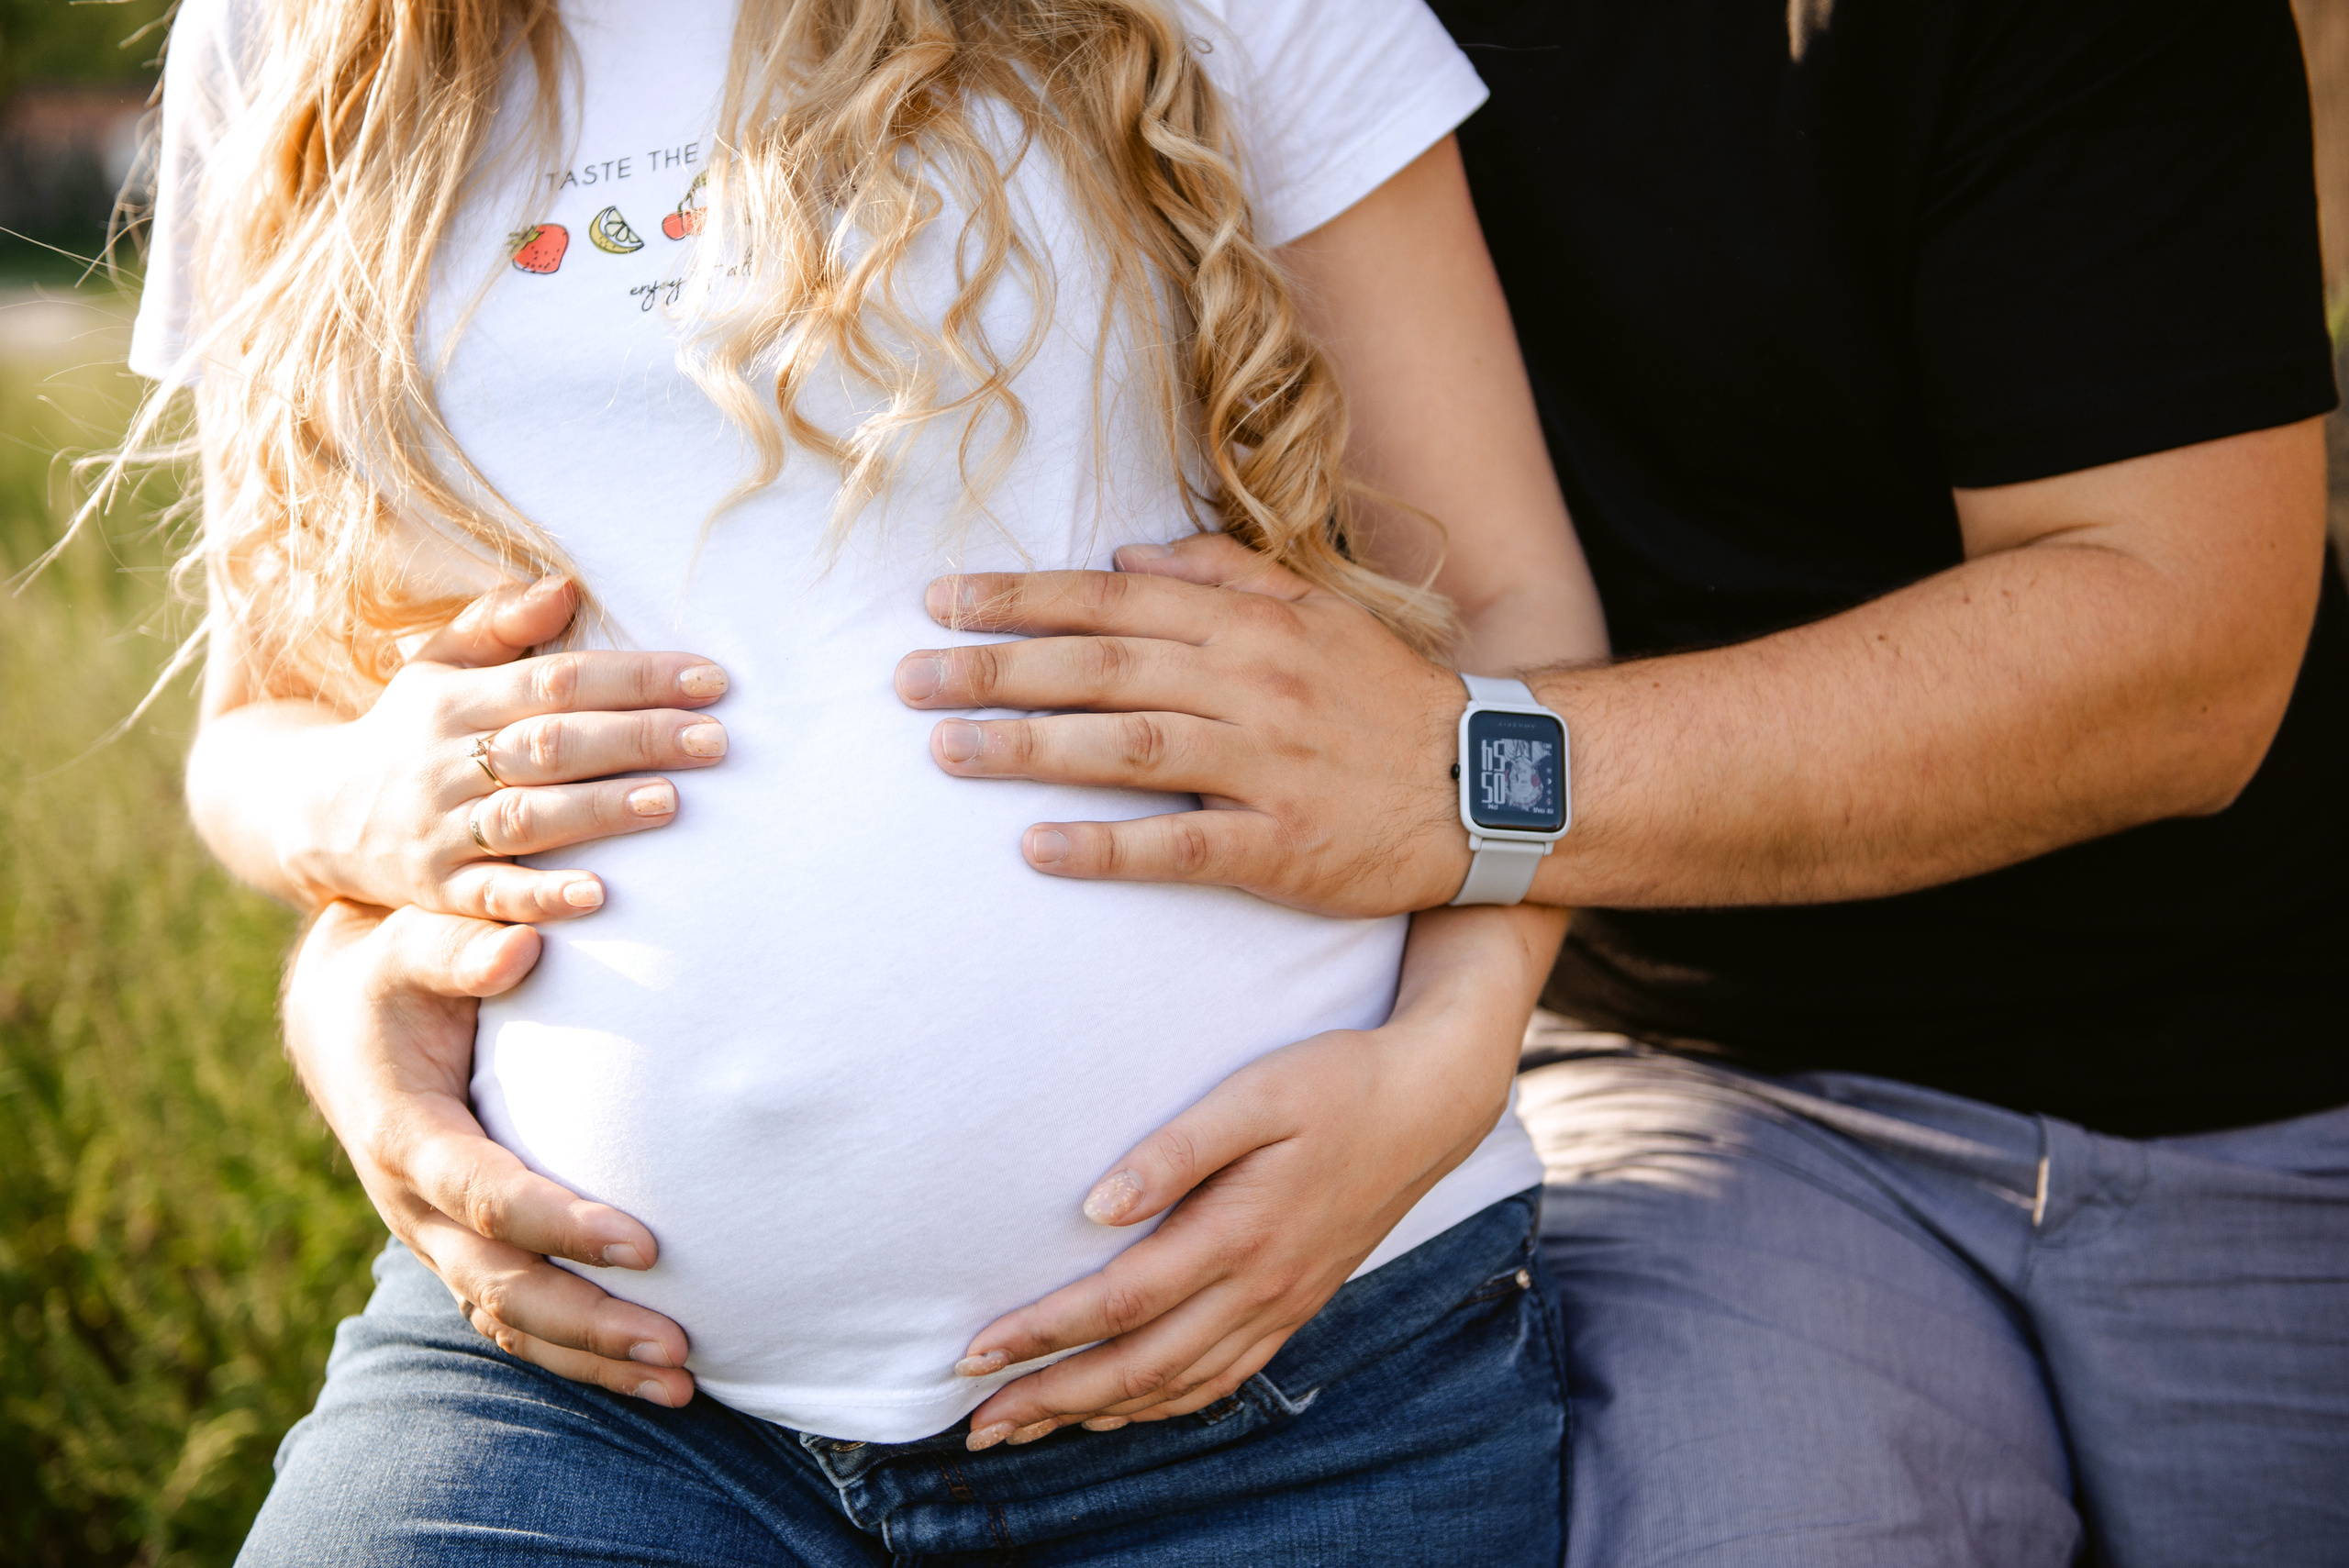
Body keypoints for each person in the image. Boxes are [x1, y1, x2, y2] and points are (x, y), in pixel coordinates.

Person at [134, 0, 1609, 1559]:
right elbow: (262, 728)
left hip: (1298, 1379)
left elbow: (1511, 614)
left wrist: (1447, 1061)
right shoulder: (291, 36)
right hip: (578, 1389)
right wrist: (357, 823)